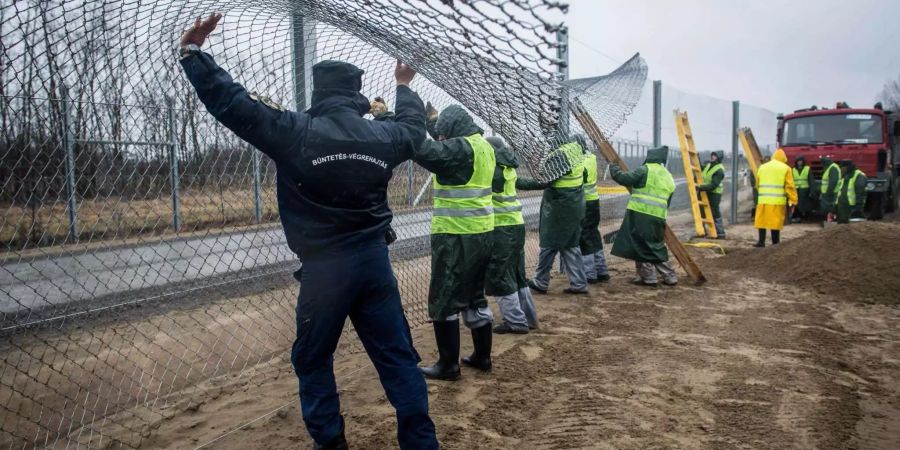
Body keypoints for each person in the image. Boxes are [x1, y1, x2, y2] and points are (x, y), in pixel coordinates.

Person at [178, 14, 437, 450]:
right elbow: (413, 129)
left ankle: (331, 442)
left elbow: (235, 105)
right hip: (375, 265)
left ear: (317, 92)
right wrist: (404, 85)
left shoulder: (295, 131)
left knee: (313, 359)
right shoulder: (383, 137)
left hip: (325, 273)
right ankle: (420, 443)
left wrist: (194, 55)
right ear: (357, 95)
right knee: (397, 359)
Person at [415, 103, 495, 380]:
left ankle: (448, 365)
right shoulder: (482, 145)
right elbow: (444, 147)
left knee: (444, 297)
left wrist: (399, 119)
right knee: (474, 295)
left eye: (442, 134)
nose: (441, 139)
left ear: (452, 132)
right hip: (482, 234)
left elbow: (427, 151)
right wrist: (433, 121)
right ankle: (482, 357)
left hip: (455, 235)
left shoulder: (460, 149)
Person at [519, 137, 589, 295]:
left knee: (550, 244)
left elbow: (544, 181)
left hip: (560, 207)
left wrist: (517, 181)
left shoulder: (560, 156)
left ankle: (541, 281)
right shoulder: (575, 151)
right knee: (569, 244)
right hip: (573, 203)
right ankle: (578, 283)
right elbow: (583, 174)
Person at [484, 136, 539, 334]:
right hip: (516, 225)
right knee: (517, 274)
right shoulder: (508, 166)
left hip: (501, 228)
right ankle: (529, 318)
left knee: (500, 274)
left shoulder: (493, 170)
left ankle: (515, 321)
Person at [609, 146, 678, 287]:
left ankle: (658, 276)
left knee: (643, 245)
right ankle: (658, 276)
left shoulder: (645, 169)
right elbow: (667, 201)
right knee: (653, 245)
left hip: (640, 214)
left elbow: (624, 178)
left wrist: (614, 168)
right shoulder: (668, 176)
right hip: (658, 217)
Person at [753, 149, 798, 247]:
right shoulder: (786, 168)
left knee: (761, 221)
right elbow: (789, 186)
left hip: (763, 200)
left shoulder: (762, 167)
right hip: (777, 201)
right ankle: (775, 243)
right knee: (775, 223)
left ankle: (761, 242)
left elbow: (757, 185)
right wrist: (793, 200)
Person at [579, 146, 610, 283]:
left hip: (584, 202)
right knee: (593, 234)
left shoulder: (579, 161)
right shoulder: (591, 158)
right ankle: (602, 270)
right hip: (594, 201)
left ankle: (589, 274)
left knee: (584, 236)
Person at [697, 150, 726, 238]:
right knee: (701, 211)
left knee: (714, 212)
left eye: (715, 156)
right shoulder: (709, 165)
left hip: (714, 194)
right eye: (712, 155)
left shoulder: (719, 170)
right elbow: (700, 168)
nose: (713, 157)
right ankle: (702, 231)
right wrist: (696, 158)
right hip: (706, 191)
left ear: (719, 158)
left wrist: (700, 187)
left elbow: (713, 185)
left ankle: (720, 233)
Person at [819, 155, 841, 221]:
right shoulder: (830, 167)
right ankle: (830, 220)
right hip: (829, 192)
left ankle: (832, 220)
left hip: (831, 192)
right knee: (829, 208)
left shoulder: (833, 168)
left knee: (831, 208)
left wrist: (828, 192)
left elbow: (833, 182)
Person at [791, 156, 813, 221]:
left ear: (803, 162)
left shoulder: (807, 169)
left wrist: (812, 190)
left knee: (804, 204)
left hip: (805, 190)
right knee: (796, 204)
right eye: (798, 161)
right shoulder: (793, 169)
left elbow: (811, 180)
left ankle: (805, 216)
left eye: (801, 161)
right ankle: (796, 216)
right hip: (796, 189)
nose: (799, 163)